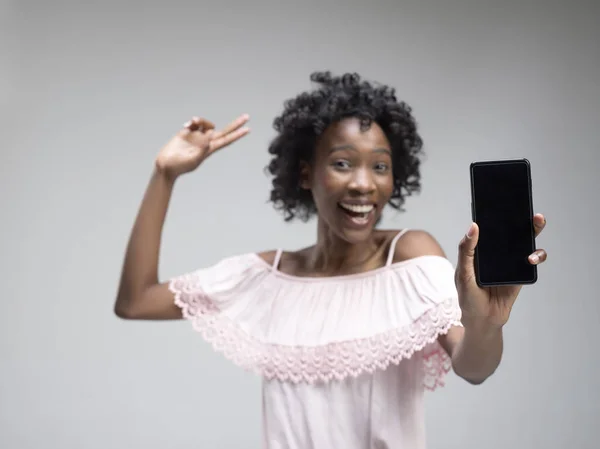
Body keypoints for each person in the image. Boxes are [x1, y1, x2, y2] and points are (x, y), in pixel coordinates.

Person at [114, 71, 547, 448]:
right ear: (305, 174)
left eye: (380, 166)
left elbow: (474, 367)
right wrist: (164, 174)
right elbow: (135, 301)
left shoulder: (410, 257)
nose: (363, 185)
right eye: (342, 163)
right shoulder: (268, 278)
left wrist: (487, 323)